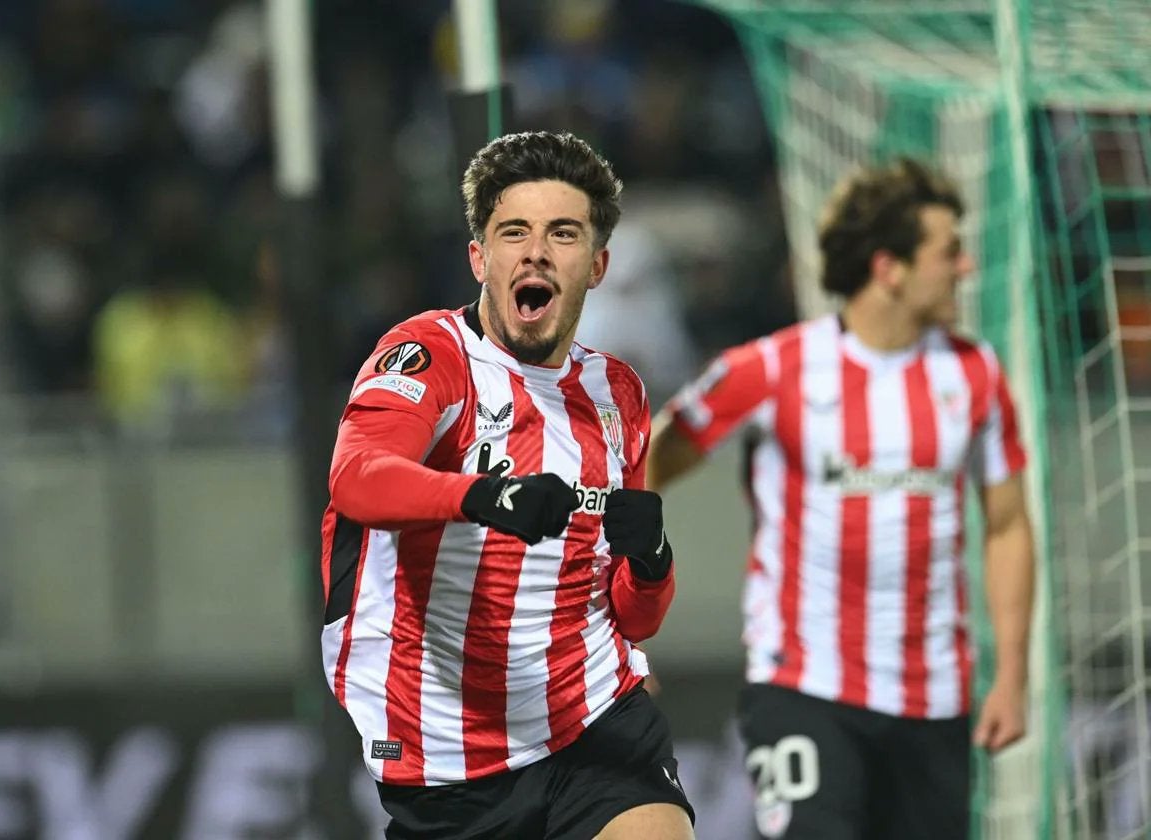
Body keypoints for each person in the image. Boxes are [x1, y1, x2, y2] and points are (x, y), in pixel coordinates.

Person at [320, 131, 696, 840]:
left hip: (594, 722)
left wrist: (652, 563)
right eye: (513, 231)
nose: (536, 252)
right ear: (479, 257)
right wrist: (480, 496)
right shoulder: (432, 356)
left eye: (563, 233)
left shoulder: (617, 394)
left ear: (597, 264)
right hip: (448, 748)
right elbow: (357, 478)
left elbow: (636, 616)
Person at [646, 158, 1035, 839]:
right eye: (949, 252)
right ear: (890, 267)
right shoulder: (772, 370)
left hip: (935, 698)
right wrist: (625, 610)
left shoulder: (975, 375)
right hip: (804, 686)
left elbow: (1006, 525)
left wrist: (1013, 677)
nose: (966, 268)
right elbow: (647, 459)